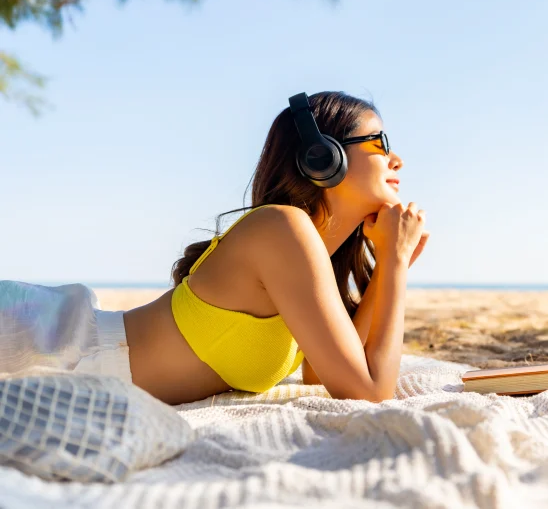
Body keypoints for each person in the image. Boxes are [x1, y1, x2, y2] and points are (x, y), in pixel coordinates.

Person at [0, 91, 428, 406]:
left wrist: (393, 265)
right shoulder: (283, 228)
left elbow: (324, 373)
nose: (397, 159)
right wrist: (393, 263)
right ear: (322, 158)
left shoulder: (306, 251)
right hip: (48, 344)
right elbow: (369, 393)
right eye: (379, 142)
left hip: (70, 354)